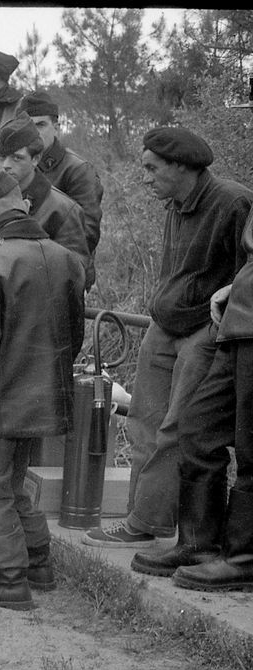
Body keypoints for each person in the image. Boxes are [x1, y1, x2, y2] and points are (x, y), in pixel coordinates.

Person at [85, 128, 252, 549]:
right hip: (164, 328)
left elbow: (243, 280)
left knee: (177, 429)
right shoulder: (174, 205)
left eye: (151, 168)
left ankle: (145, 523)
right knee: (144, 423)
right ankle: (146, 517)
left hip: (203, 331)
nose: (145, 178)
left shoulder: (233, 202)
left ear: (182, 166)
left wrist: (217, 328)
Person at [0, 171, 85, 610]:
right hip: (43, 400)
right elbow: (74, 335)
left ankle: (8, 580)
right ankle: (38, 564)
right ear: (21, 203)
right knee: (13, 485)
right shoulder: (66, 258)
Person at [0, 116, 91, 282]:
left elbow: (75, 273)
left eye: (17, 158)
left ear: (36, 159)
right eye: (1, 157)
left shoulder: (62, 210)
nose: (5, 166)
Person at [21, 90, 103, 277]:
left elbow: (86, 234)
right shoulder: (17, 167)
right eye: (27, 126)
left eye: (41, 125)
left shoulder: (77, 170)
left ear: (56, 127)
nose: (34, 132)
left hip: (63, 274)